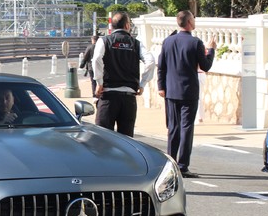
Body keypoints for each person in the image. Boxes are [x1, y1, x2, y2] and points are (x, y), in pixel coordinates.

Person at [157, 10, 217, 178]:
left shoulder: (167, 41)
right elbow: (205, 66)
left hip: (171, 90)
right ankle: (183, 166)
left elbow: (161, 66)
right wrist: (211, 50)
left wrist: (161, 86)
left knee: (173, 128)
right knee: (186, 128)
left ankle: (170, 163)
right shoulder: (195, 42)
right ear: (190, 22)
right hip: (188, 91)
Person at [92, 12, 155, 137]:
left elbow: (97, 59)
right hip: (128, 98)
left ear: (113, 26)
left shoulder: (104, 41)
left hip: (108, 96)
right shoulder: (136, 43)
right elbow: (151, 61)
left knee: (102, 139)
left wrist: (99, 83)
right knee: (126, 141)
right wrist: (142, 84)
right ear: (127, 25)